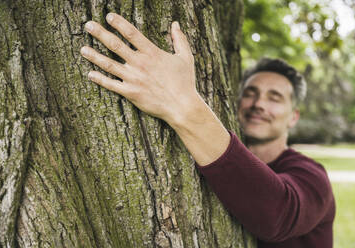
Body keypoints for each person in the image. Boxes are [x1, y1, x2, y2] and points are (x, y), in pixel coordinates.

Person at [80, 13, 335, 247]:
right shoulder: (202, 156)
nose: (259, 104)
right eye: (251, 93)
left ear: (294, 117)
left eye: (275, 98)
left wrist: (181, 102)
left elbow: (276, 214)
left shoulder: (313, 177)